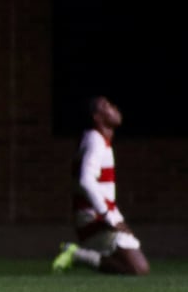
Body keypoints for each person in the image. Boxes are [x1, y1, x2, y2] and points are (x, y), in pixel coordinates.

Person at [53, 96, 151, 276]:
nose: (114, 108)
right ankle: (77, 255)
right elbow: (86, 180)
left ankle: (78, 255)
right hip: (94, 218)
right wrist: (109, 217)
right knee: (138, 268)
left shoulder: (97, 140)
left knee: (136, 268)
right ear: (97, 117)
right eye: (107, 106)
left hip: (98, 216)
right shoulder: (95, 141)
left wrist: (114, 216)